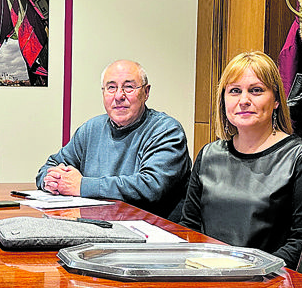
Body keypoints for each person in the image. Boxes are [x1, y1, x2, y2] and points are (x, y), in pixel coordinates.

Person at [179, 51, 302, 267]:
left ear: (276, 99)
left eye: (256, 91)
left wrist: (248, 270)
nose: (244, 100)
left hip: (268, 285)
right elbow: (189, 227)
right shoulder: (209, 155)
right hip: (207, 278)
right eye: (234, 91)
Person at [36, 59, 191, 219]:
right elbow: (50, 166)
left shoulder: (166, 130)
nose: (119, 96)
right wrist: (50, 181)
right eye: (111, 88)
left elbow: (151, 187)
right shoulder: (92, 128)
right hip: (98, 229)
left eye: (129, 87)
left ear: (146, 92)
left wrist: (82, 186)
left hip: (152, 234)